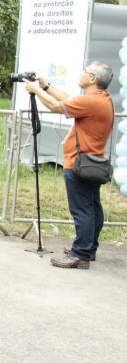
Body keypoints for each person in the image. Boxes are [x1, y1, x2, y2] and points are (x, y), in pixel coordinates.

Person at [24, 62, 115, 269]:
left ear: (92, 79)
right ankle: (88, 247)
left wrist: (36, 90)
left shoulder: (92, 102)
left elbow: (58, 107)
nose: (81, 73)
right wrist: (46, 86)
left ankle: (80, 254)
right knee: (92, 208)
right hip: (91, 162)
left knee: (82, 210)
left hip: (79, 163)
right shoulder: (101, 100)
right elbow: (68, 99)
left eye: (85, 71)